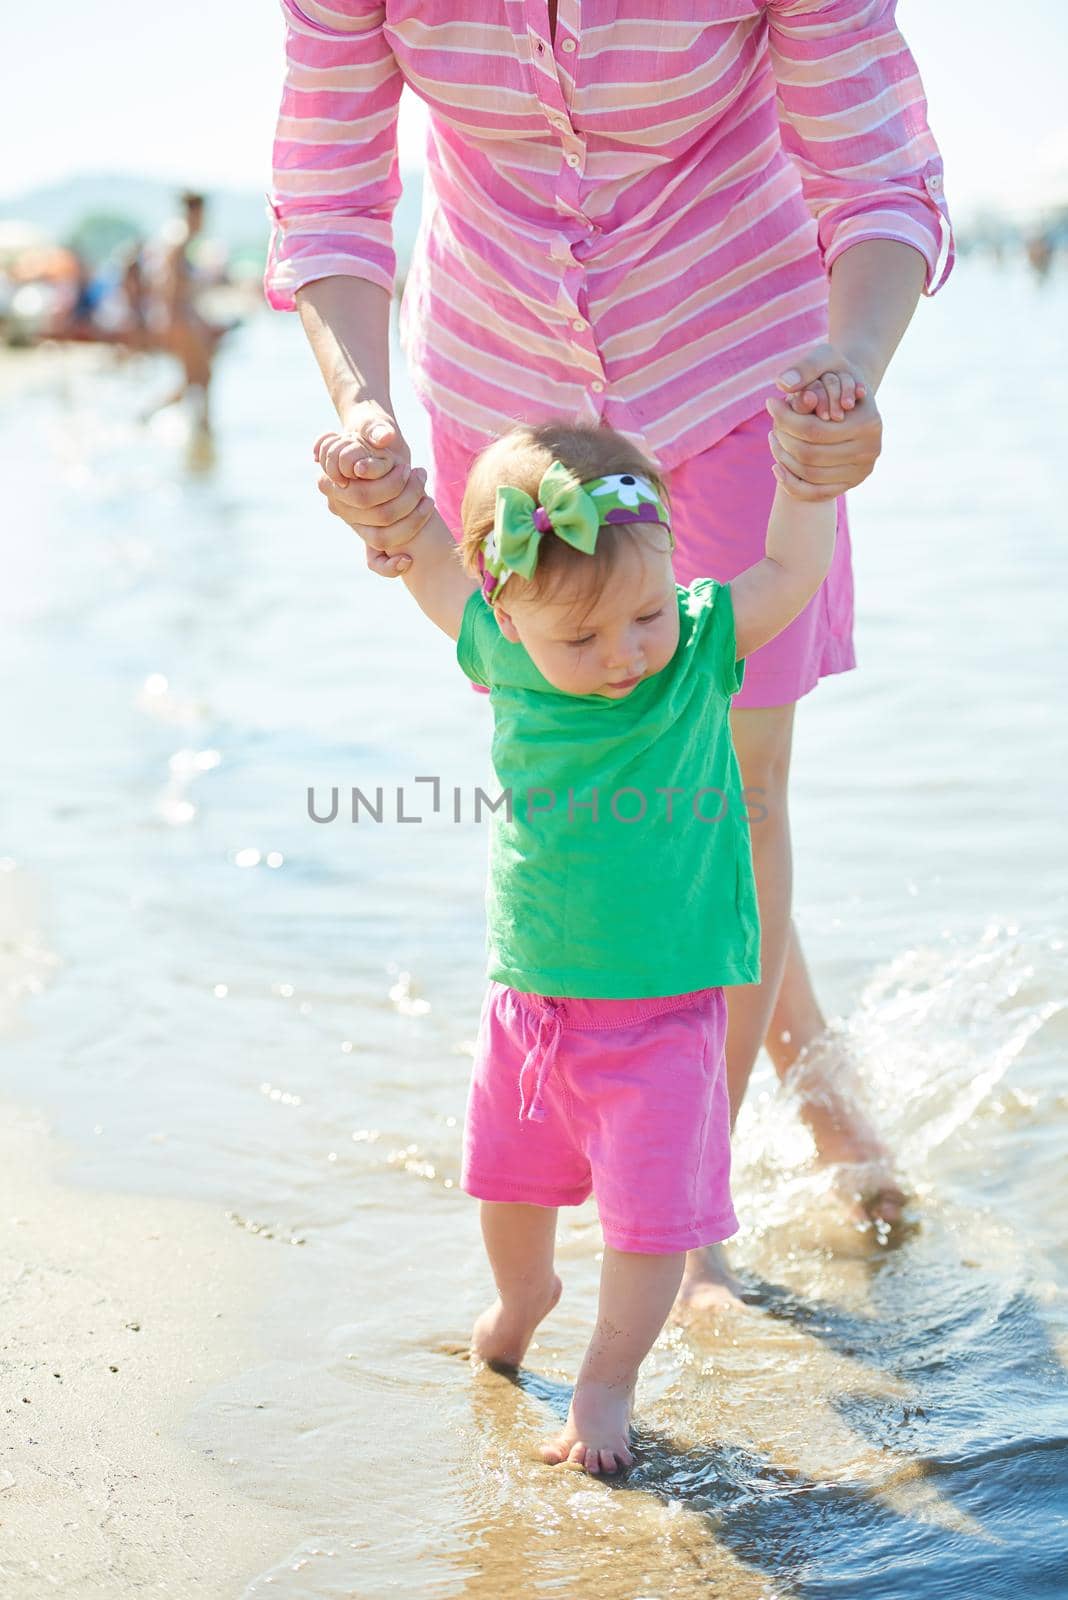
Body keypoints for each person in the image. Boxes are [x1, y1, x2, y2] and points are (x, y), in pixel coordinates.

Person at [268, 3, 955, 1310]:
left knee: (737, 790)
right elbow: (332, 197)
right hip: (501, 376)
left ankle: (693, 1204)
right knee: (621, 766)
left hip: (747, 353)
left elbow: (874, 165)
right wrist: (359, 406)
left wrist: (853, 371)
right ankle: (827, 1096)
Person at [311, 409, 837, 1472]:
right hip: (532, 1007)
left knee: (652, 1229)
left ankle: (605, 1382)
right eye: (582, 638)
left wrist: (808, 472)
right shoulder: (500, 647)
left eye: (641, 614)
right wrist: (378, 481)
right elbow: (417, 553)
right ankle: (524, 1298)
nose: (622, 656)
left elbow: (789, 570)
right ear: (509, 614)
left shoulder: (693, 647)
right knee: (504, 1187)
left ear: (670, 574)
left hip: (665, 1014)